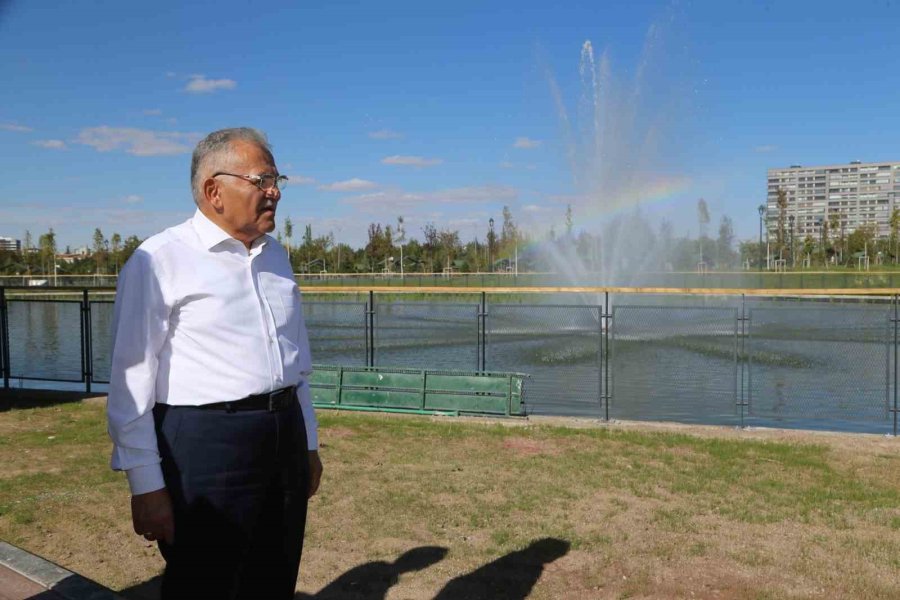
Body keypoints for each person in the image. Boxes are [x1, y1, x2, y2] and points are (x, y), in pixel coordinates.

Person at [106, 127, 322, 600]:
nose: (275, 192)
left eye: (277, 180)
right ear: (213, 191)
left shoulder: (276, 257)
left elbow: (297, 364)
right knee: (203, 583)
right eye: (263, 180)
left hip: (283, 433)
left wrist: (307, 443)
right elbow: (130, 383)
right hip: (205, 445)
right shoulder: (158, 260)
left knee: (274, 577)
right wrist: (146, 485)